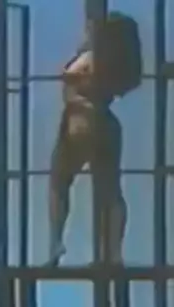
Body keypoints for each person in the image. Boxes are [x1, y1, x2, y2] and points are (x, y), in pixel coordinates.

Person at [47, 12, 142, 266]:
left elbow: (71, 78)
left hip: (80, 120)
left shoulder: (92, 57)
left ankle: (56, 242)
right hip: (105, 122)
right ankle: (114, 252)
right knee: (111, 191)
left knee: (59, 182)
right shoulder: (116, 62)